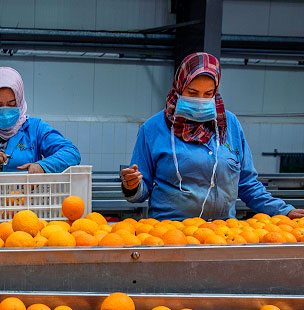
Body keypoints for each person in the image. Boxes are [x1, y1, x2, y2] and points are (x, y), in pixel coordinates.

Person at [121, 52, 304, 221]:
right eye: (192, 93)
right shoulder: (153, 129)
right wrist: (132, 186)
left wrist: (282, 210)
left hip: (222, 235)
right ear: (179, 88)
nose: (200, 100)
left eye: (208, 94)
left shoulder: (229, 125)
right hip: (170, 235)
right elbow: (141, 191)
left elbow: (247, 184)